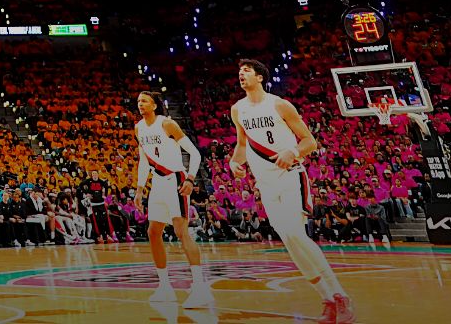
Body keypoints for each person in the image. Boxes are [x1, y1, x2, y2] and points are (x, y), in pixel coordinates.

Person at [229, 59, 353, 323]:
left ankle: (341, 296)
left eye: (247, 71)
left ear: (260, 77)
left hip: (290, 175)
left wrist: (292, 151)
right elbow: (242, 144)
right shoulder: (237, 109)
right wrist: (234, 161)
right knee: (288, 239)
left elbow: (310, 141)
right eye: (240, 71)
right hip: (266, 183)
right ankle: (327, 298)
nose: (241, 74)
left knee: (296, 233)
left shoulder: (279, 104)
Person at [136, 90, 213, 308]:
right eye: (138, 101)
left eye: (144, 101)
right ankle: (164, 286)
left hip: (175, 179)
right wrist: (140, 189)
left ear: (154, 105)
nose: (140, 104)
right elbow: (144, 160)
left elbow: (195, 153)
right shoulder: (138, 128)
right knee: (153, 232)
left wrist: (190, 179)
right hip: (157, 183)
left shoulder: (167, 124)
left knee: (181, 232)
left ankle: (200, 287)